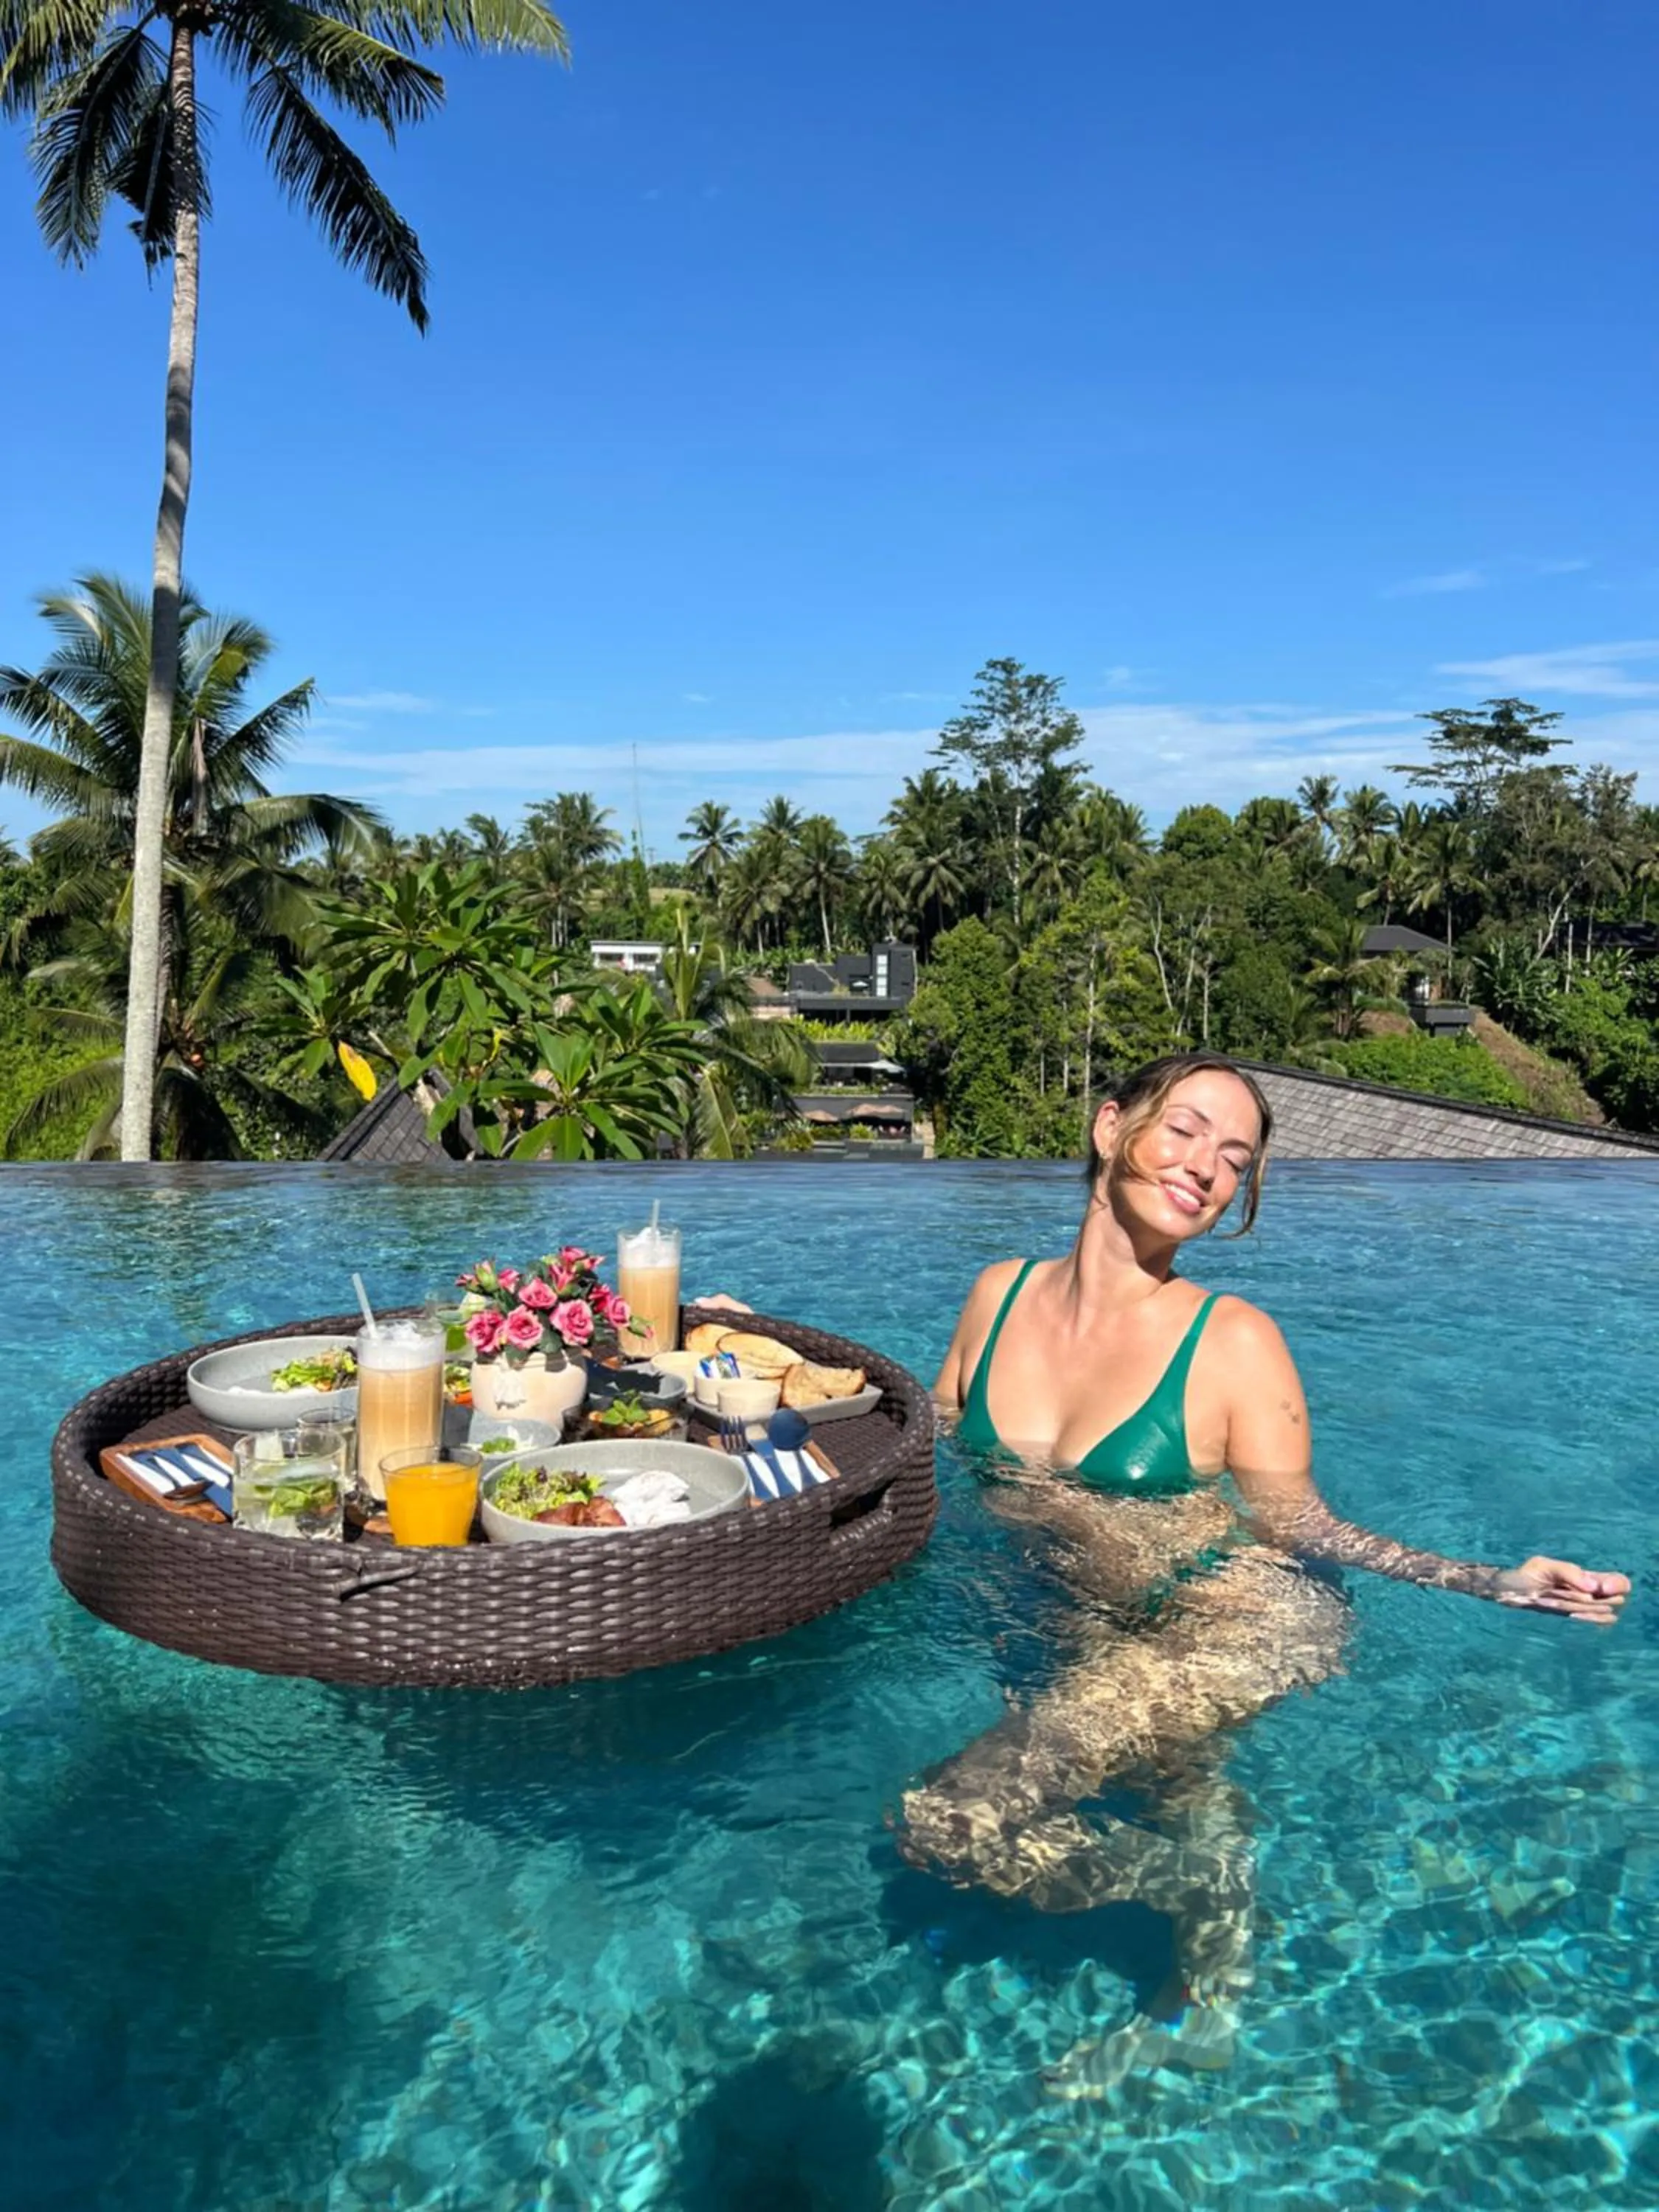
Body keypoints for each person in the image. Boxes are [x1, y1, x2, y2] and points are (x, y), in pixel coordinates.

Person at [897, 1050, 1630, 2088]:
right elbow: (926, 1431)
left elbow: (1306, 1527)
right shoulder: (997, 1294)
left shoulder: (1230, 1340)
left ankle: (1190, 1890)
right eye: (1185, 1129)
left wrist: (1485, 1580)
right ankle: (1202, 2011)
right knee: (1176, 1786)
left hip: (1232, 1621)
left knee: (950, 1819)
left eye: (1233, 1158)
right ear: (1110, 1128)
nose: (1205, 1165)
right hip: (1081, 1612)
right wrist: (770, 1376)